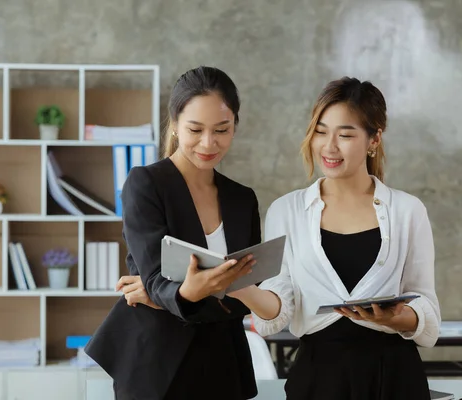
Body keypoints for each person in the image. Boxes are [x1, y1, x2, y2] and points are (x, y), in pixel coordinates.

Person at [121, 76, 442, 400]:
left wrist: (399, 317)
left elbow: (426, 306)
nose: (329, 147)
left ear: (374, 139)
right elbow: (274, 310)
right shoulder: (287, 211)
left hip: (395, 377)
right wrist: (199, 288)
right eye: (320, 132)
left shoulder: (407, 210)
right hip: (316, 376)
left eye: (345, 135)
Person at [84, 66, 261, 400]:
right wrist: (185, 293)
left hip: (223, 364)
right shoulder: (146, 184)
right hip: (156, 369)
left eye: (222, 129)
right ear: (176, 124)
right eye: (196, 129)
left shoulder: (242, 198)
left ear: (234, 125)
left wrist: (169, 296)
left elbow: (248, 291)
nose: (209, 143)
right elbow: (155, 278)